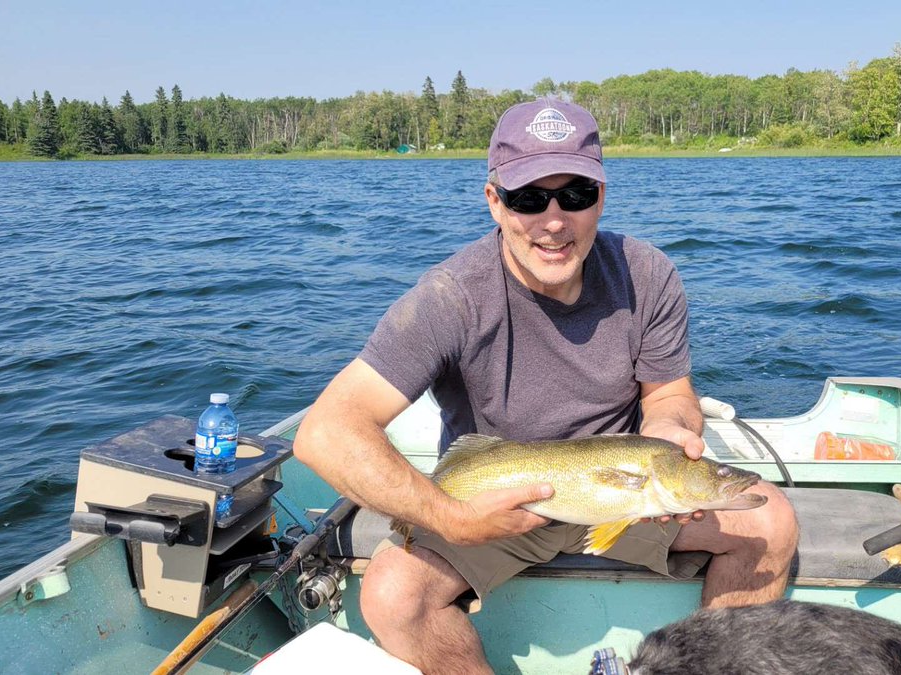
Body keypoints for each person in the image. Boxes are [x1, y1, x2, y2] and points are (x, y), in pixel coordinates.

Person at [293, 99, 799, 675]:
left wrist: (668, 432)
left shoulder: (647, 273)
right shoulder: (449, 296)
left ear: (601, 197)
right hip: (493, 509)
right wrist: (453, 518)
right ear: (495, 203)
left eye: (576, 195)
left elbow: (668, 395)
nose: (554, 221)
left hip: (628, 502)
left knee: (768, 522)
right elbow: (327, 432)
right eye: (529, 198)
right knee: (391, 594)